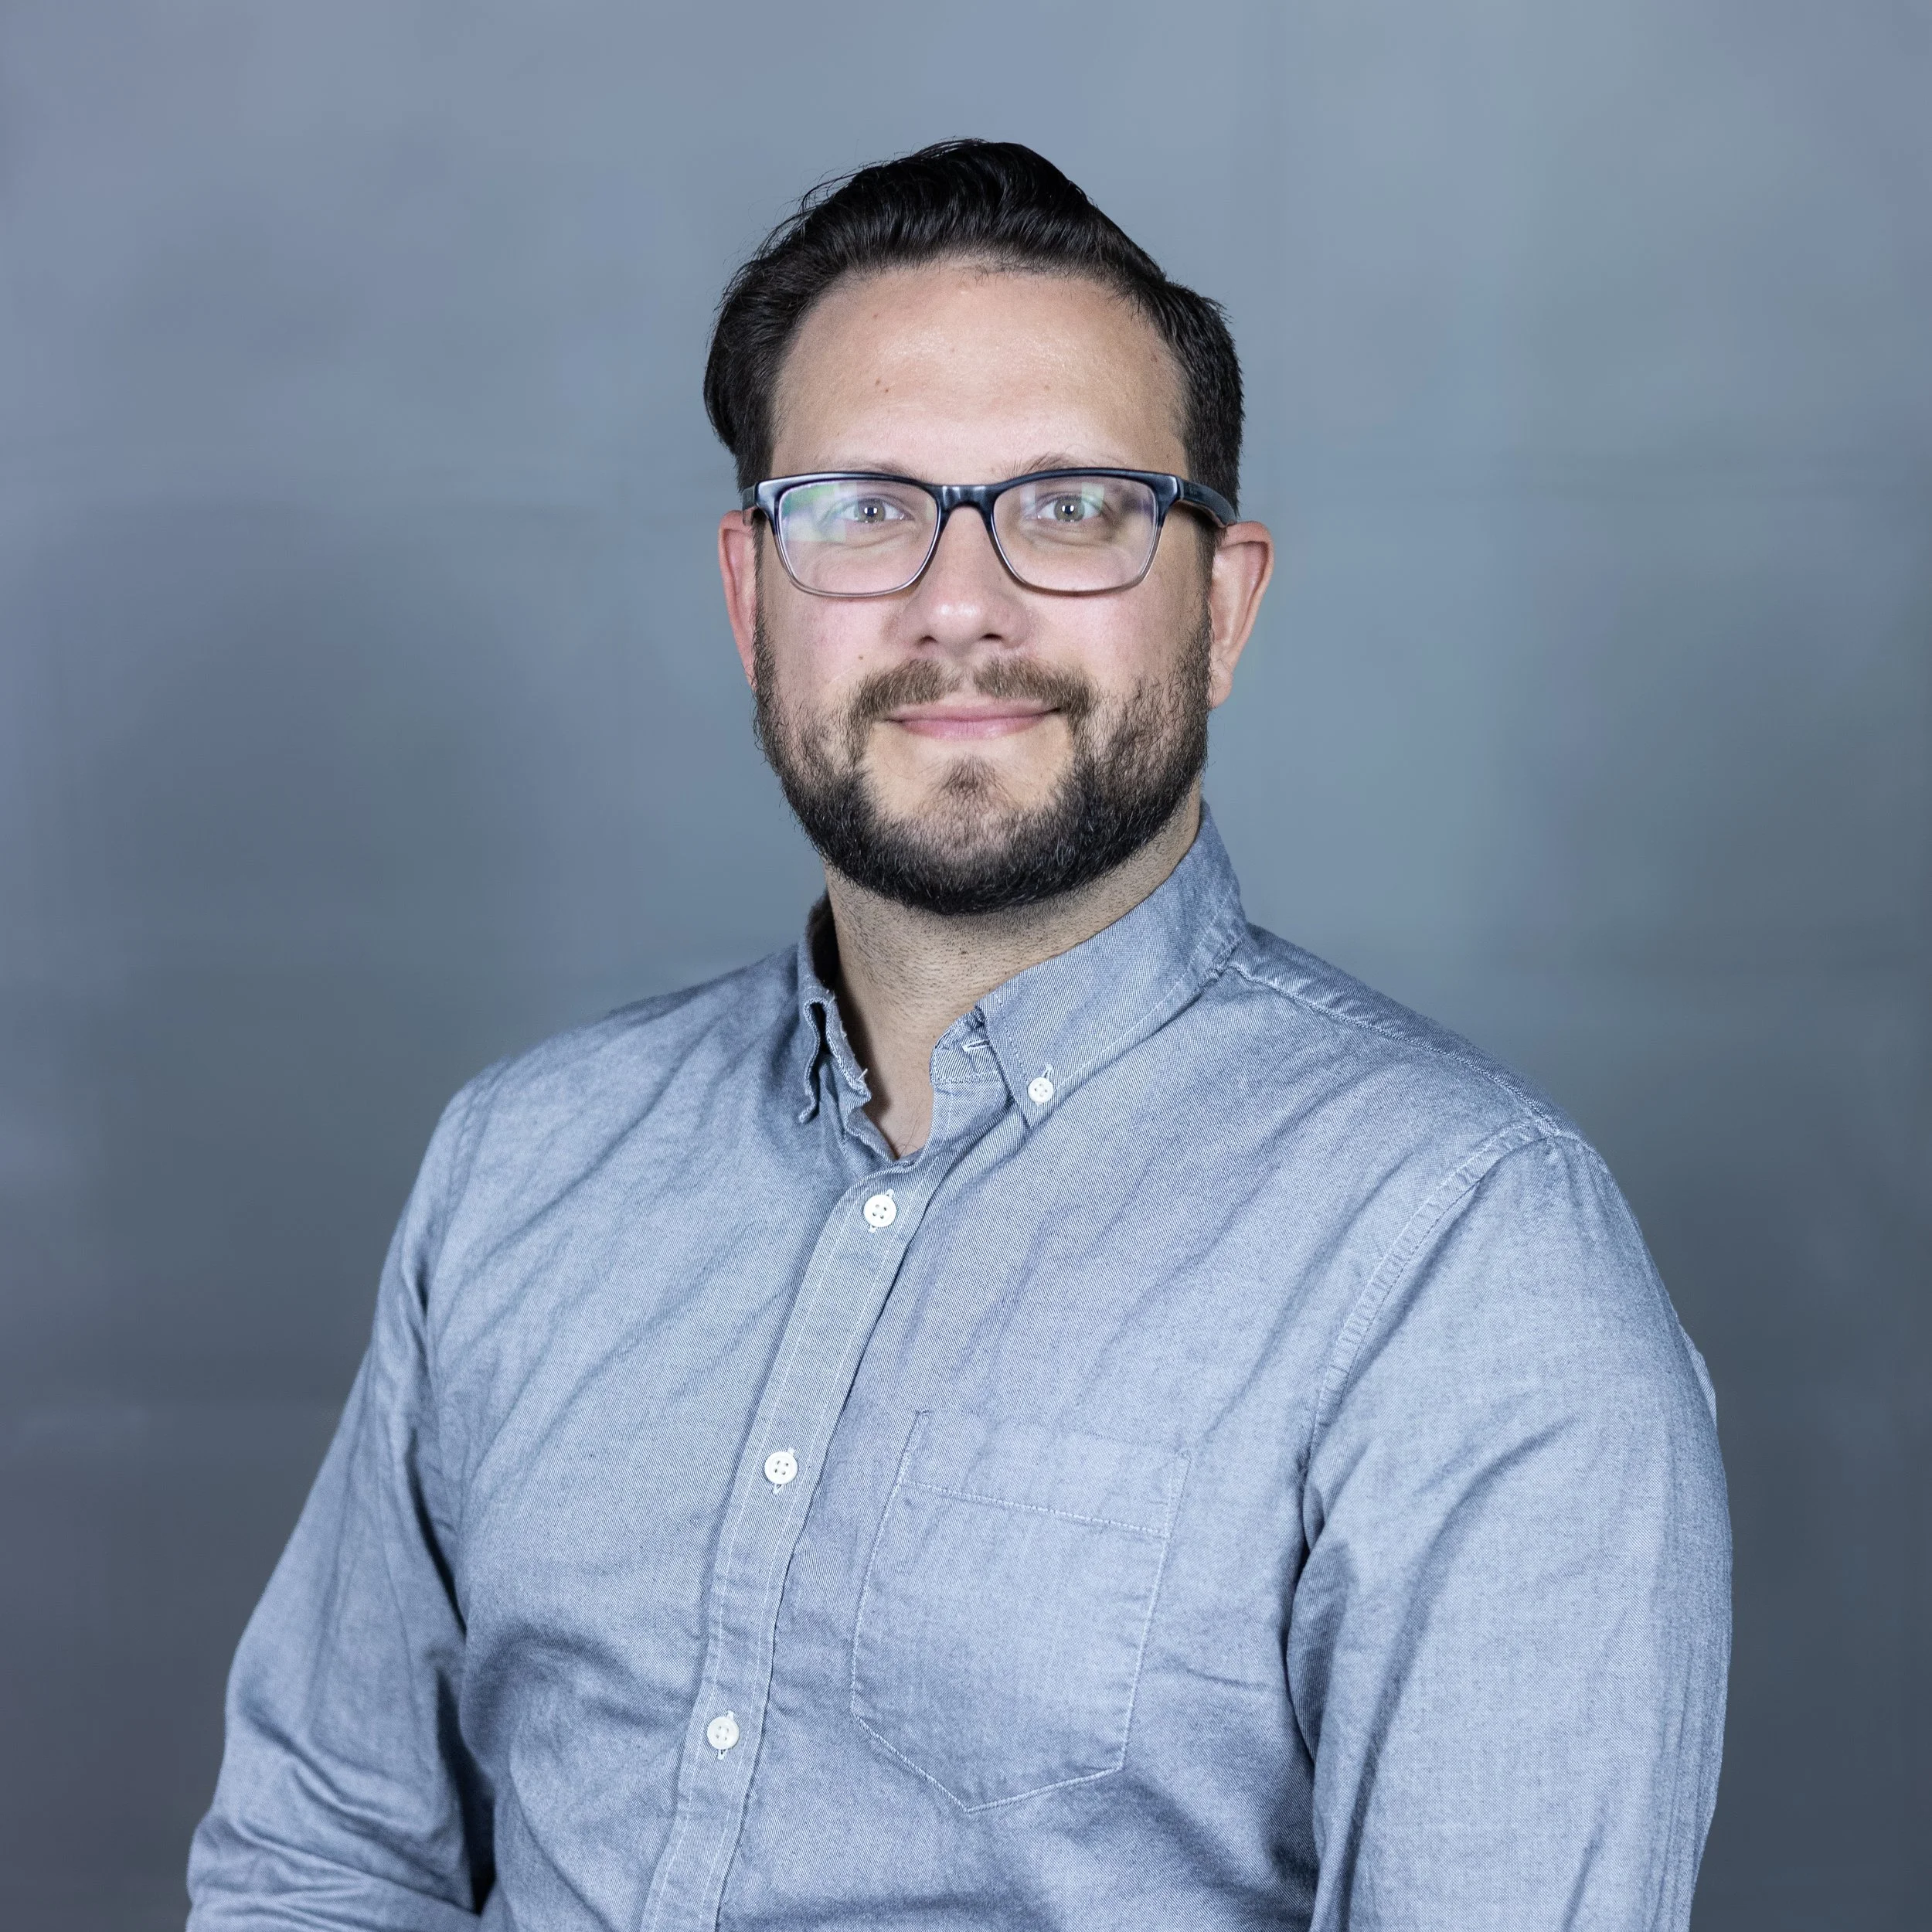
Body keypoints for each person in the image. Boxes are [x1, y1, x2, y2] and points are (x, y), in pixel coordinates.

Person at [188, 140, 1730, 1931]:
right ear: (748, 592)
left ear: (1218, 605)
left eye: (1070, 506)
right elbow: (321, 1858)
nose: (958, 604)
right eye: (860, 508)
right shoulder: (524, 1165)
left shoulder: (1463, 1253)